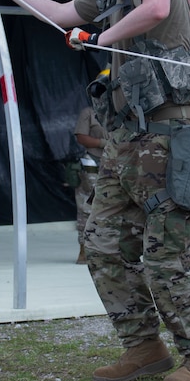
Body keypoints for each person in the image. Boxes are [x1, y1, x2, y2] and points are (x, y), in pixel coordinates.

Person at [0, 0, 190, 381]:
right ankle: (144, 347)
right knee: (103, 242)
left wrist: (101, 40)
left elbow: (156, 8)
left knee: (166, 253)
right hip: (126, 141)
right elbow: (65, 14)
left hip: (163, 140)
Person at [67, 97, 105, 264]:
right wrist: (104, 142)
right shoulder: (89, 112)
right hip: (92, 163)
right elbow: (81, 137)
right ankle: (84, 250)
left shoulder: (122, 111)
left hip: (117, 164)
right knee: (87, 207)